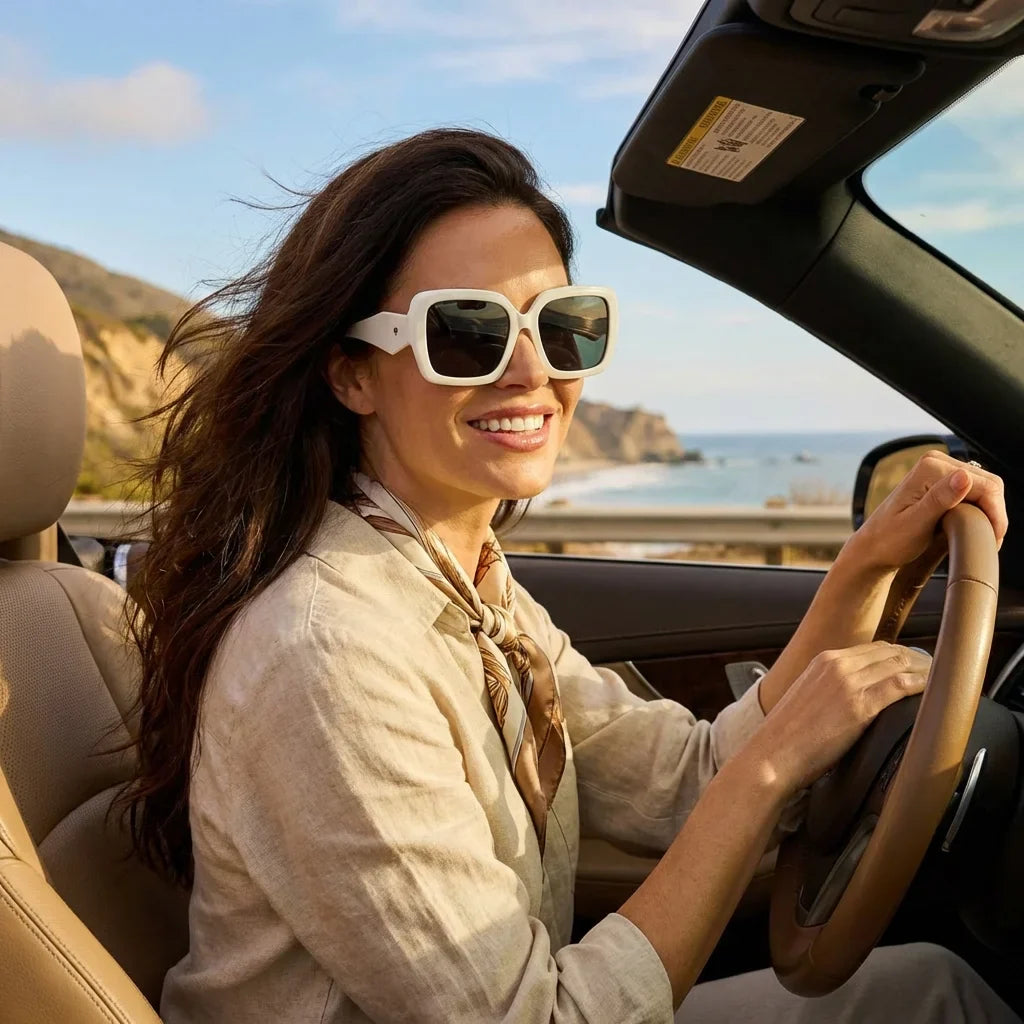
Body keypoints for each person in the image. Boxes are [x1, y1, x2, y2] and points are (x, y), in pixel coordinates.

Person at [120, 127, 1018, 1023]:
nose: (532, 370)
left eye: (562, 327)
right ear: (352, 373)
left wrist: (863, 570)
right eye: (465, 333)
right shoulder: (329, 654)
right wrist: (778, 763)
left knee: (932, 989)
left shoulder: (465, 586)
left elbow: (686, 779)